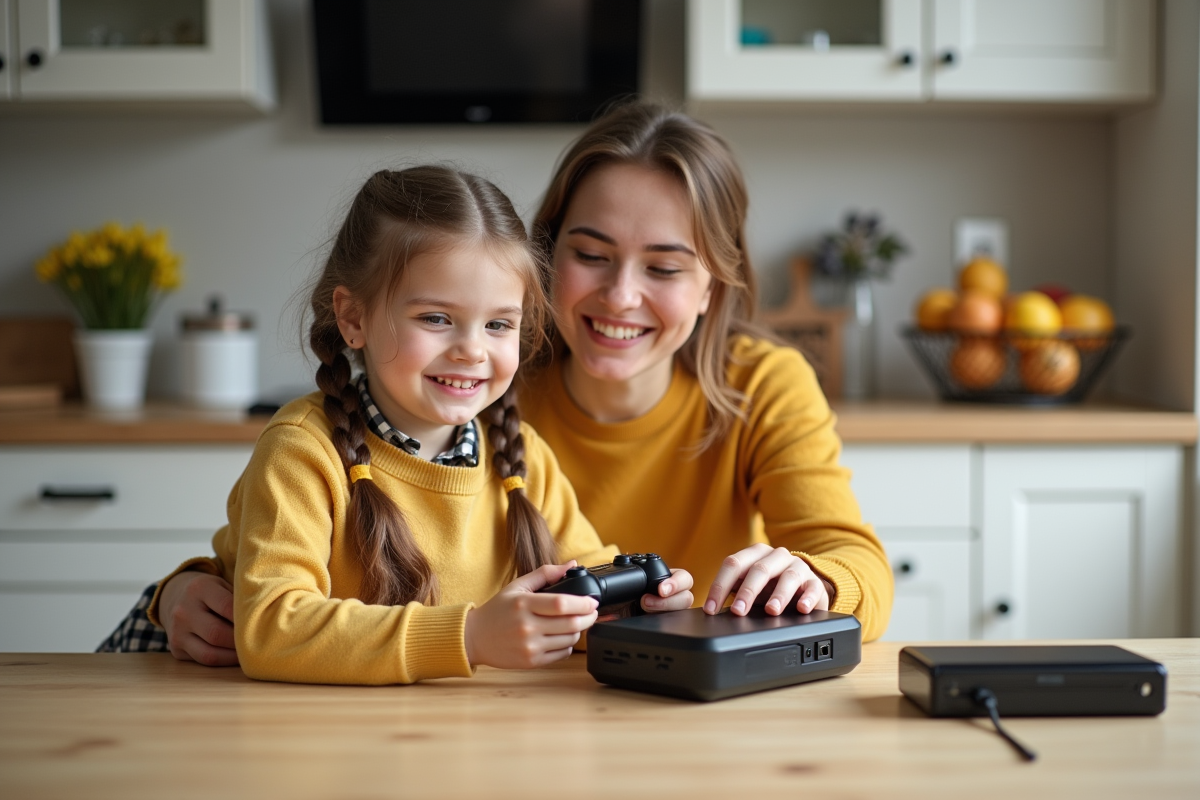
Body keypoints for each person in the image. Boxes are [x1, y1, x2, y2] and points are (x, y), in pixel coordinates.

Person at [106, 102, 892, 667]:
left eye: (663, 267)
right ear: (546, 267)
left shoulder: (517, 429)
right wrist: (178, 594)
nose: (621, 297)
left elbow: (851, 562)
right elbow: (280, 582)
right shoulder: (481, 392)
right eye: (591, 254)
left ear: (711, 287)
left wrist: (689, 595)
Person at [98, 165, 694, 683]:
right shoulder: (303, 450)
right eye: (437, 318)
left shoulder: (520, 455)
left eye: (498, 325)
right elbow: (274, 629)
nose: (471, 351)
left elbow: (581, 580)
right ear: (353, 318)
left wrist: (634, 602)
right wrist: (468, 638)